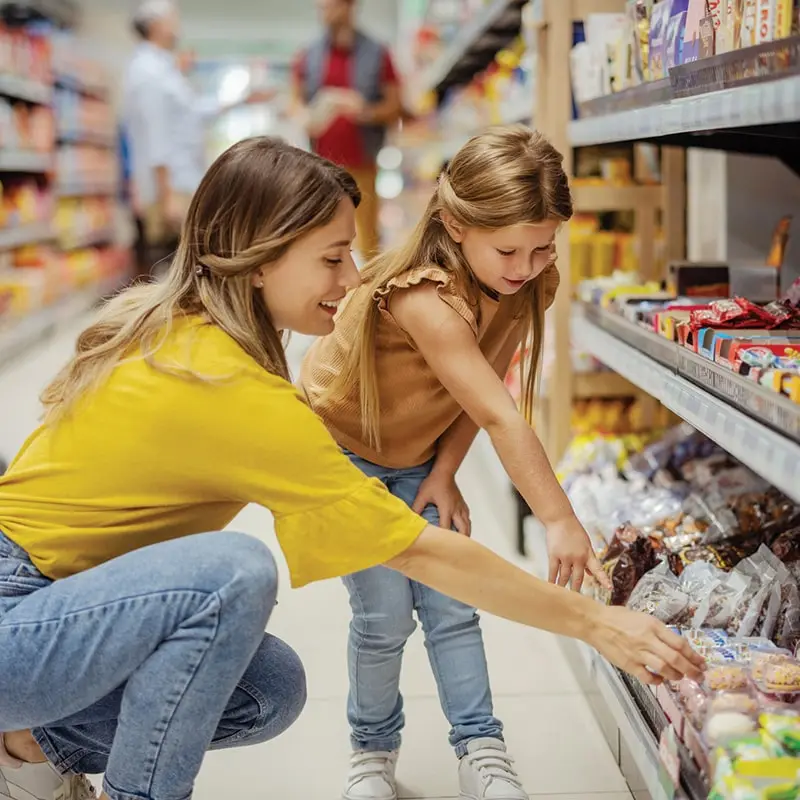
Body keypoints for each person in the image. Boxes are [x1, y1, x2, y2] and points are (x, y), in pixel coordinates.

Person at [0, 137, 703, 800]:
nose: (355, 278)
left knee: (269, 690)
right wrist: (593, 621)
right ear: (259, 258)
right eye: (333, 258)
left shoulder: (199, 333)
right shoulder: (225, 385)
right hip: (16, 612)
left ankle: (24, 748)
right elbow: (421, 551)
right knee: (232, 574)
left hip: (51, 609)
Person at [300, 125, 614, 800]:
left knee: (455, 607)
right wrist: (557, 518)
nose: (526, 265)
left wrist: (443, 472)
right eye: (508, 248)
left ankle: (481, 747)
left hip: (416, 453)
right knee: (383, 618)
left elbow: (484, 390)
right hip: (343, 457)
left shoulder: (528, 284)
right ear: (454, 224)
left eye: (543, 247)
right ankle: (371, 753)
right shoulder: (423, 298)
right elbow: (504, 414)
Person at [123, 0, 271, 255]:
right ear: (156, 25)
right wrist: (166, 194)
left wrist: (242, 101)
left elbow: (194, 112)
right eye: (173, 19)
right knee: (174, 259)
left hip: (181, 181)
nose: (177, 27)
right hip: (169, 186)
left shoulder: (164, 69)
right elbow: (156, 136)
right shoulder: (148, 71)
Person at [291, 0, 401, 260]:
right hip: (320, 164)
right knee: (323, 236)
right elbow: (294, 101)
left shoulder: (377, 52)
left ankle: (369, 295)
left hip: (363, 162)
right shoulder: (309, 54)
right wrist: (304, 116)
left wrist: (364, 110)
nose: (323, 11)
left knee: (367, 237)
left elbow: (395, 106)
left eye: (329, 5)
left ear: (350, 6)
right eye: (320, 6)